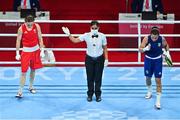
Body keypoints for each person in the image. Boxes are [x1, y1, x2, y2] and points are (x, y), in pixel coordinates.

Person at [62, 20, 108, 102]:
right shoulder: (86, 35)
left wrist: (107, 59)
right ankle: (89, 95)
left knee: (98, 78)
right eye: (92, 28)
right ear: (90, 28)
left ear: (99, 28)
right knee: (89, 78)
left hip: (100, 59)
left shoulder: (102, 36)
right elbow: (75, 41)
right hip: (89, 59)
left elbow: (105, 48)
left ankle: (98, 95)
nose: (94, 29)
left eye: (95, 28)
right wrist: (69, 34)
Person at [139, 26, 172, 109]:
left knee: (158, 80)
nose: (154, 39)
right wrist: (145, 48)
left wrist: (167, 53)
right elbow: (140, 49)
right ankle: (149, 91)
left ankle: (158, 101)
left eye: (155, 37)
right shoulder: (146, 39)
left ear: (158, 35)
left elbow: (166, 45)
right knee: (148, 78)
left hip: (158, 61)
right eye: (153, 37)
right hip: (148, 60)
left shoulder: (162, 39)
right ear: (150, 34)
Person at [15, 14, 45, 98]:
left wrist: (42, 50)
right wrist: (17, 53)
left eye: (31, 23)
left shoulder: (37, 26)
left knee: (33, 70)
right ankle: (20, 91)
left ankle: (31, 87)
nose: (30, 25)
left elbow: (40, 38)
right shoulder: (21, 29)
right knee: (23, 72)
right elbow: (18, 40)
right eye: (28, 24)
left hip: (35, 51)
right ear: (25, 22)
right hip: (26, 52)